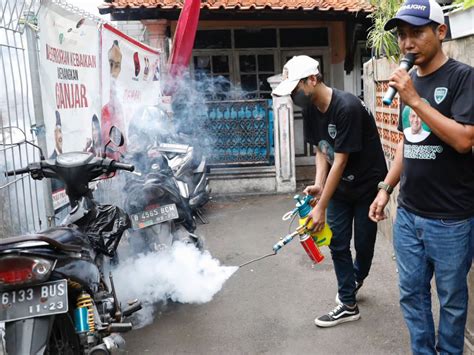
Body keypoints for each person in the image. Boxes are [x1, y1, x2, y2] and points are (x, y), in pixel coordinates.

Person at [368, 0, 474, 352]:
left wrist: (415, 101)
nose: (407, 43)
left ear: (440, 32)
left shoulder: (462, 78)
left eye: (416, 33)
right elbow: (406, 142)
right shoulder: (408, 82)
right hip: (409, 215)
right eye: (401, 35)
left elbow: (463, 140)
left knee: (452, 303)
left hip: (450, 219)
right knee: (412, 296)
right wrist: (386, 188)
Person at [272, 55, 387, 327]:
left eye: (296, 88)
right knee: (337, 242)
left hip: (367, 184)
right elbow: (323, 150)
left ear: (313, 79)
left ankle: (357, 277)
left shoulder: (346, 108)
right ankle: (348, 303)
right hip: (340, 186)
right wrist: (320, 185)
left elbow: (342, 159)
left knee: (364, 245)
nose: (294, 96)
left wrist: (320, 205)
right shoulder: (312, 107)